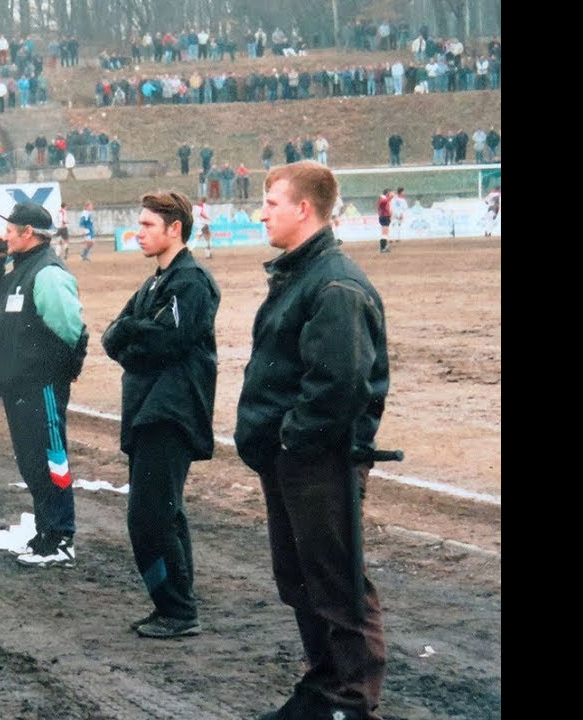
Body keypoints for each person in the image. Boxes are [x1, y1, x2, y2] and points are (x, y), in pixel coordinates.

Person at [237, 160, 390, 720]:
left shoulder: (334, 283)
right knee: (299, 577)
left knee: (336, 580)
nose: (262, 213)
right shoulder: (301, 276)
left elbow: (340, 383)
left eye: (271, 202)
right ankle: (323, 684)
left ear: (303, 209)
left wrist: (291, 440)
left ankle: (351, 699)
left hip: (319, 461)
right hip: (293, 460)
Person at [101, 189, 219, 640]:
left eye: (148, 225)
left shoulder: (191, 281)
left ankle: (177, 610)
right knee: (163, 513)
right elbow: (115, 336)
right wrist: (134, 333)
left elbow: (166, 341)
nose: (138, 232)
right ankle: (177, 604)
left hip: (171, 412)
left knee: (149, 517)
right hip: (147, 409)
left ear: (176, 229)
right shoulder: (155, 282)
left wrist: (134, 333)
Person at [0, 201, 89, 568]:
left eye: (10, 230)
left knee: (51, 460)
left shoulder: (48, 273)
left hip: (40, 384)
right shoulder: (18, 268)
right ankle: (46, 531)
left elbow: (71, 330)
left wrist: (65, 370)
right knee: (31, 462)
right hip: (18, 385)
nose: (3, 234)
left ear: (28, 234)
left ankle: (60, 535)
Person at [376, 188, 393, 253]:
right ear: (387, 193)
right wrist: (390, 197)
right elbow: (384, 202)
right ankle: (383, 247)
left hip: (385, 216)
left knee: (385, 232)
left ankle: (384, 247)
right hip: (384, 217)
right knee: (384, 232)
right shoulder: (382, 199)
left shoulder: (384, 199)